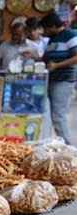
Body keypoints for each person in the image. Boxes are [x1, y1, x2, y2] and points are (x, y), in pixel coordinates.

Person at [42, 12, 77, 145]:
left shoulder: (70, 36)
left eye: (45, 28)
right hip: (51, 80)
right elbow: (48, 59)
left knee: (58, 116)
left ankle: (69, 148)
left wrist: (57, 65)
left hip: (63, 81)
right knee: (50, 115)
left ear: (52, 26)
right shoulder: (53, 39)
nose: (44, 32)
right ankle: (57, 144)